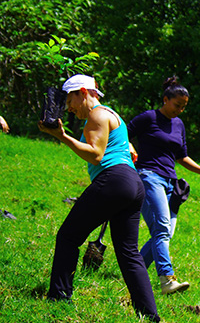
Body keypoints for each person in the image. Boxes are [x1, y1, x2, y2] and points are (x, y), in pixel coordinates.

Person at [37, 74, 160, 322]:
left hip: (114, 180)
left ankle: (59, 297)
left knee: (69, 236)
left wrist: (62, 137)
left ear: (83, 92)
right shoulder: (114, 116)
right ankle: (150, 315)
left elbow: (95, 155)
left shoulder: (96, 114)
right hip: (133, 185)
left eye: (70, 100)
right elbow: (128, 149)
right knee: (128, 253)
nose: (69, 108)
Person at [127, 76, 200, 295]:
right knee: (161, 228)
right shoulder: (148, 118)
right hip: (148, 176)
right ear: (166, 99)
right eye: (177, 105)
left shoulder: (178, 124)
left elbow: (182, 156)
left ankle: (133, 272)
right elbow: (122, 133)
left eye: (184, 107)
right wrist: (130, 147)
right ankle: (167, 279)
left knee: (164, 232)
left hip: (171, 182)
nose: (180, 110)